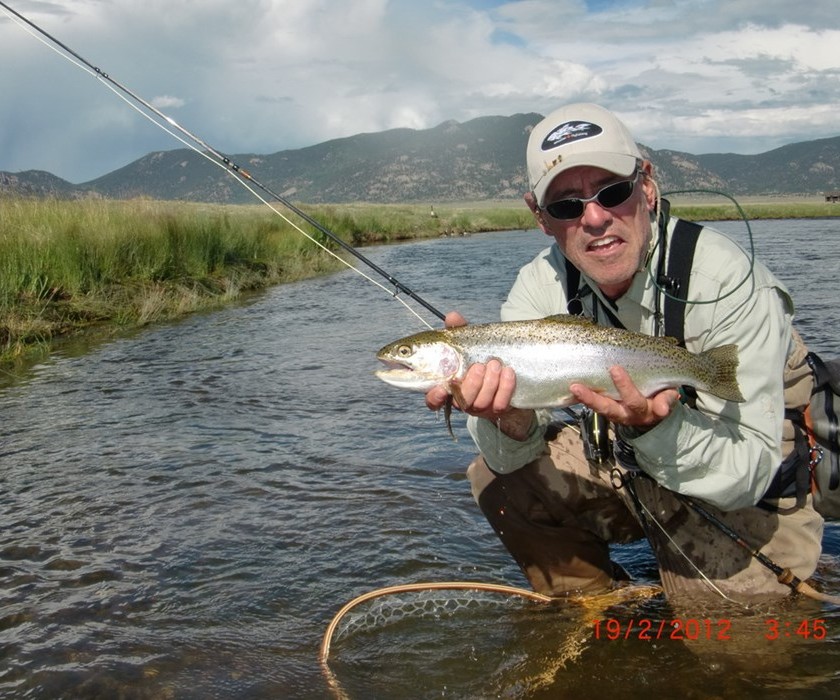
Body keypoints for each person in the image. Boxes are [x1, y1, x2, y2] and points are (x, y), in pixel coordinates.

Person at [425, 103, 823, 602]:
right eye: (567, 205)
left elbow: (750, 474)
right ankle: (594, 610)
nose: (594, 217)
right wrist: (510, 420)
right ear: (540, 217)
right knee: (495, 476)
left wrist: (655, 426)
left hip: (742, 490)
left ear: (648, 186)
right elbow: (511, 457)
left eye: (612, 192)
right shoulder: (538, 287)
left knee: (739, 658)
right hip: (629, 461)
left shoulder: (731, 283)